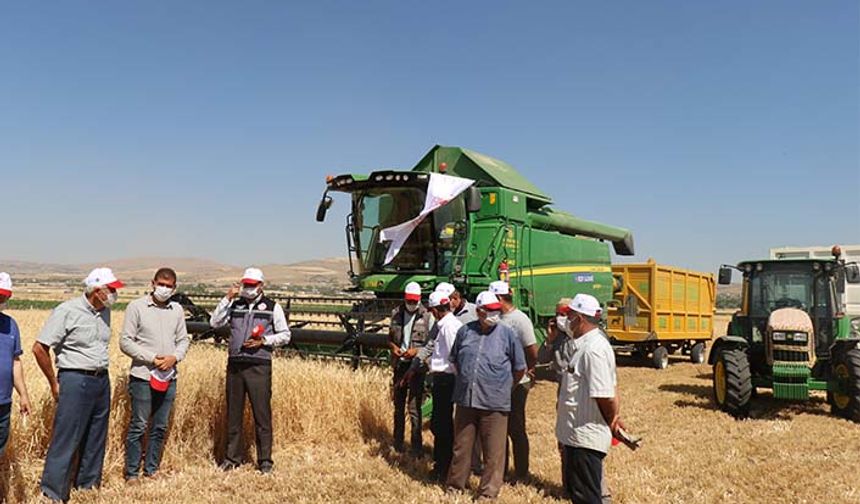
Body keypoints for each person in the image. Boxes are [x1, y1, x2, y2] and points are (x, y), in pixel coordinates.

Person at [32, 267, 124, 502]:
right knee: (67, 436)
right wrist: (54, 382)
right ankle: (53, 493)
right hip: (74, 378)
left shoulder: (105, 312)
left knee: (95, 437)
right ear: (96, 290)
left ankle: (87, 489)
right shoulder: (67, 311)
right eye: (111, 290)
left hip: (101, 379)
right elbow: (40, 348)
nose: (115, 294)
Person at [210, 267, 291, 473]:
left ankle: (265, 461)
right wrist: (227, 298)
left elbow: (285, 335)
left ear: (261, 286)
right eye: (245, 285)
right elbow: (215, 322)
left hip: (259, 365)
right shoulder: (234, 305)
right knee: (233, 413)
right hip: (235, 364)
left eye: (252, 285)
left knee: (261, 414)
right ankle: (232, 458)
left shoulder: (272, 307)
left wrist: (264, 341)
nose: (247, 288)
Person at [446, 291, 526, 500]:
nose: (494, 314)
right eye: (490, 311)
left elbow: (519, 368)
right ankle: (455, 486)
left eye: (497, 310)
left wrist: (505, 387)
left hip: (495, 402)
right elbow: (455, 360)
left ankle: (488, 492)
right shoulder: (465, 332)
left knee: (494, 452)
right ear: (479, 311)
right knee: (462, 448)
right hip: (466, 399)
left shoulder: (507, 335)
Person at [119, 267, 190, 482]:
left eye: (169, 286)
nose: (164, 289)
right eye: (161, 284)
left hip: (169, 376)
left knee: (160, 425)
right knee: (139, 425)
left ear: (174, 288)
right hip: (142, 375)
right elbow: (125, 341)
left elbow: (183, 340)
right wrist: (152, 358)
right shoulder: (137, 307)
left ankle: (151, 469)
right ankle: (132, 472)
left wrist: (174, 358)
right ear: (153, 283)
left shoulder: (177, 310)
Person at [557, 294, 624, 504]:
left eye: (570, 316)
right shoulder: (584, 346)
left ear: (580, 318)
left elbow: (605, 395)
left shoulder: (594, 350)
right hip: (576, 437)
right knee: (579, 495)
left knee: (587, 497)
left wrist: (612, 421)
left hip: (586, 438)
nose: (566, 320)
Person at [404, 290, 462, 480]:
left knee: (442, 425)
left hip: (446, 380)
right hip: (443, 379)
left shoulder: (448, 327)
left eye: (432, 310)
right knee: (440, 424)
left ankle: (443, 467)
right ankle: (442, 464)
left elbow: (456, 356)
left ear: (437, 310)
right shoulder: (446, 324)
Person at [489, 280, 538, 481]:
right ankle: (502, 469)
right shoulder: (498, 318)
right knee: (501, 428)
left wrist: (525, 371)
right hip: (500, 382)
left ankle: (521, 472)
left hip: (517, 382)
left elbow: (532, 351)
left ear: (500, 299)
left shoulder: (520, 320)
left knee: (516, 428)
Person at [388, 281, 433, 455]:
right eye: (409, 300)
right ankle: (397, 443)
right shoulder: (396, 314)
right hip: (400, 365)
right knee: (398, 406)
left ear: (420, 300)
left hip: (417, 367)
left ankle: (416, 447)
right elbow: (390, 339)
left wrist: (416, 352)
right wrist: (394, 348)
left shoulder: (427, 317)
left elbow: (432, 345)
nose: (411, 304)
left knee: (414, 408)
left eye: (414, 301)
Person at [0, 272, 31, 458]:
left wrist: (23, 395)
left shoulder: (11, 325)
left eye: (4, 296)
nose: (1, 299)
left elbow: (15, 362)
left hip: (3, 402)